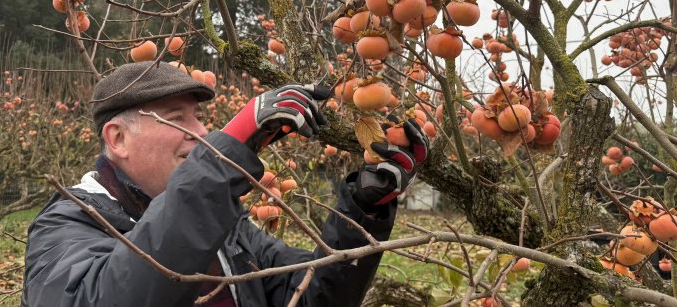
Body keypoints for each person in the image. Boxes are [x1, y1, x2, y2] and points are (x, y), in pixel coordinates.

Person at [21, 61, 427, 306]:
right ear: (118, 139)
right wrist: (220, 160)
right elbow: (114, 296)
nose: (201, 132)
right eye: (176, 118)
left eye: (199, 118)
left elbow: (309, 295)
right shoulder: (68, 225)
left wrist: (363, 209)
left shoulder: (230, 232)